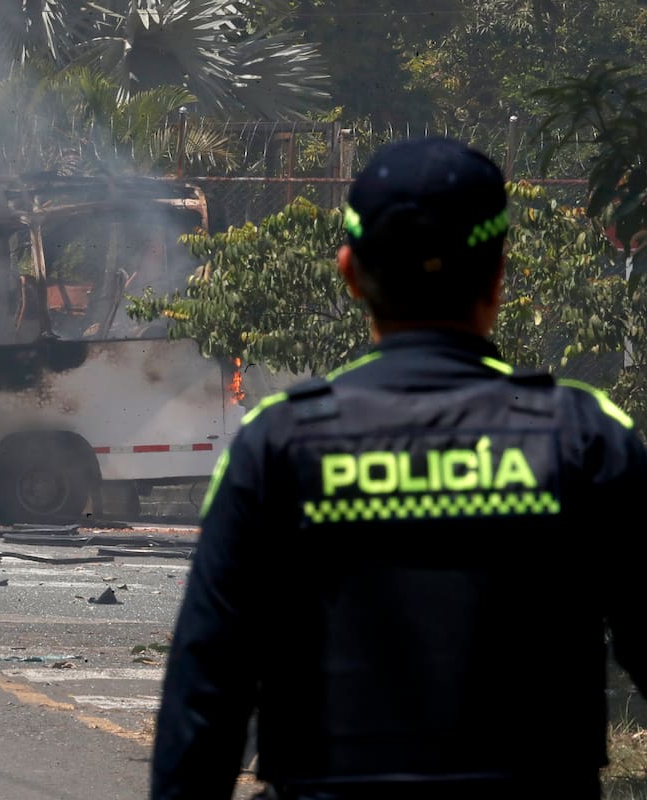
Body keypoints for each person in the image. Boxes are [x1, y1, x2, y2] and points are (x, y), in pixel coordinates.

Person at [150, 136, 647, 800]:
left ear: (350, 273)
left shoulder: (277, 444)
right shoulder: (586, 437)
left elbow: (206, 692)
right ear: (499, 274)